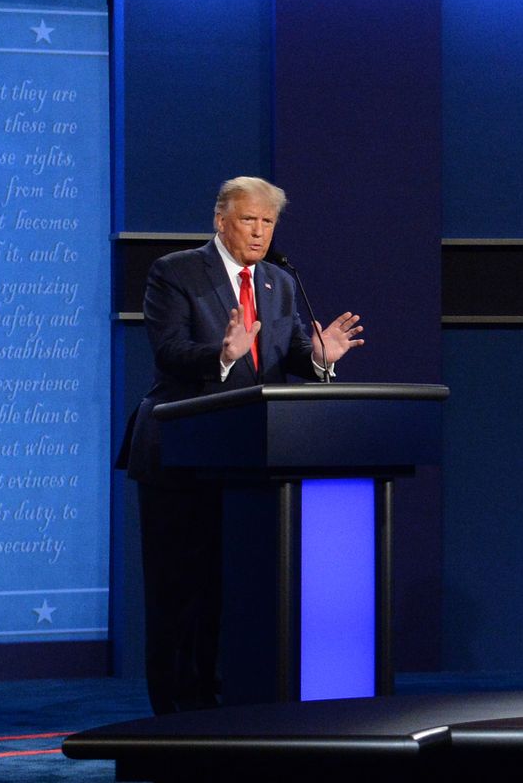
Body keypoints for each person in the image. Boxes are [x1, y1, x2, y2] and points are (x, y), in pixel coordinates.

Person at [115, 176, 365, 714]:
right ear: (220, 220)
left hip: (250, 461)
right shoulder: (176, 272)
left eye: (268, 222)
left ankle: (231, 712)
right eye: (248, 219)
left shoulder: (278, 281)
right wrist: (222, 353)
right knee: (181, 597)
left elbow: (291, 353)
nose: (259, 231)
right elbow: (170, 353)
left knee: (234, 596)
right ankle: (177, 721)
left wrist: (322, 356)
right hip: (181, 457)